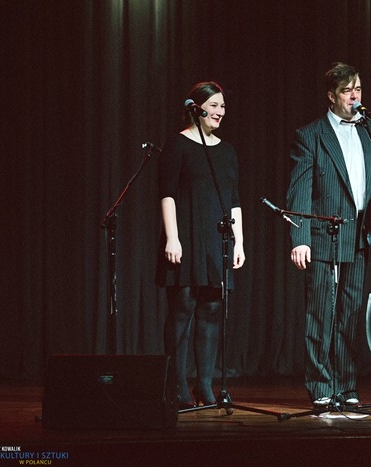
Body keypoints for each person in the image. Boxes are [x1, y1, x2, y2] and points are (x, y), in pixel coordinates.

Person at [286, 62, 371, 408]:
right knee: (320, 314)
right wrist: (300, 238)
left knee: (350, 313)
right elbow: (299, 190)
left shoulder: (370, 129)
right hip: (323, 235)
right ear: (332, 96)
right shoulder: (311, 134)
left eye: (358, 89)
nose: (355, 96)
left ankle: (345, 385)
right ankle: (321, 387)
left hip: (360, 236)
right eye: (347, 91)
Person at [156, 81, 245, 411]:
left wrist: (239, 242)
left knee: (211, 309)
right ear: (197, 108)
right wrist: (172, 237)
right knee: (183, 307)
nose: (221, 112)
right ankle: (177, 384)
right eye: (215, 105)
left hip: (216, 239)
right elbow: (167, 194)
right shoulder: (177, 144)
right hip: (186, 236)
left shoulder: (227, 151)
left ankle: (205, 384)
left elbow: (234, 200)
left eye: (223, 106)